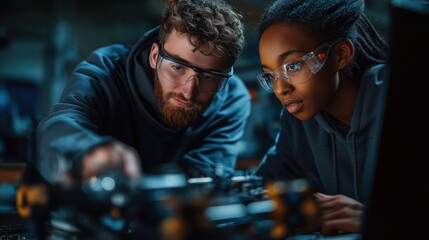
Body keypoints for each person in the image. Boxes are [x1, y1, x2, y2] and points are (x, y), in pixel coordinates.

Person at [36, 0, 250, 187]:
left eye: (209, 76)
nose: (189, 91)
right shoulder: (104, 72)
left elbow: (204, 181)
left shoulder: (232, 99)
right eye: (178, 67)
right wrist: (88, 151)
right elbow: (61, 124)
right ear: (155, 56)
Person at [254, 0, 388, 235]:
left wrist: (378, 220)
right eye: (270, 76)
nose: (280, 89)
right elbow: (266, 184)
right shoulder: (297, 120)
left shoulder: (401, 97)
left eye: (293, 66)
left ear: (340, 55)